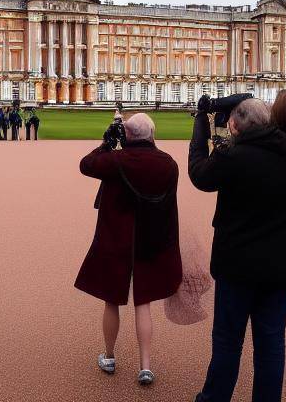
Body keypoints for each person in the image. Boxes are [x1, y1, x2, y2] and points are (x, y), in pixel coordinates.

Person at [189, 98, 286, 402]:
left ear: (234, 126)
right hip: (282, 270)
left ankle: (214, 398)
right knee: (272, 343)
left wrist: (201, 123)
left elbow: (199, 173)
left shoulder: (234, 156)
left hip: (237, 268)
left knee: (227, 341)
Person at [75, 113, 182, 386]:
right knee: (142, 302)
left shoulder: (115, 161)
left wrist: (107, 142)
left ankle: (109, 357)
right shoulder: (169, 164)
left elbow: (86, 165)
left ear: (127, 136)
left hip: (117, 240)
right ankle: (145, 366)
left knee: (112, 300)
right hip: (150, 240)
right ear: (152, 135)